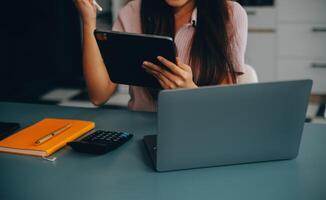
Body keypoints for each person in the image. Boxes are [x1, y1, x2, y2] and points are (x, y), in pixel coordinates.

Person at [74, 0, 248, 112]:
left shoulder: (230, 14)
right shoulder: (131, 11)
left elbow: (226, 110)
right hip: (139, 133)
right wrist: (89, 20)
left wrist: (190, 91)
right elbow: (99, 95)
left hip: (201, 131)